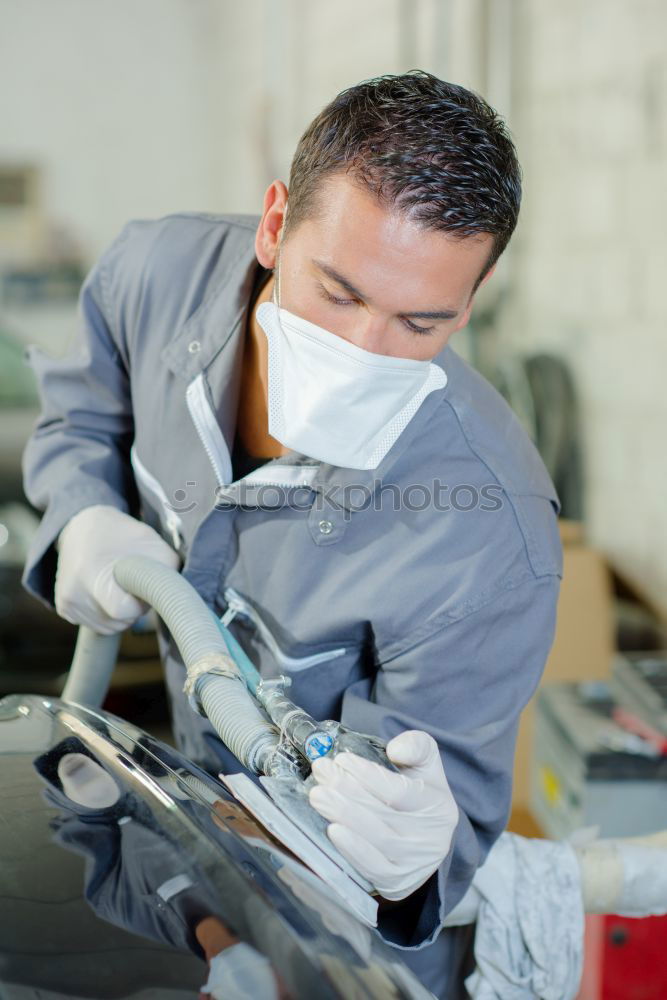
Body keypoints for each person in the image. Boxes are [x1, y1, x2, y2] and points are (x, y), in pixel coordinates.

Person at [21, 70, 562, 998]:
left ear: (467, 305)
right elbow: (80, 418)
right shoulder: (155, 277)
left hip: (335, 937)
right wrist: (82, 510)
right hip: (176, 848)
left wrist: (408, 860)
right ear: (274, 226)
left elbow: (434, 848)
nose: (362, 353)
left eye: (419, 321)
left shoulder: (487, 544)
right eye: (339, 293)